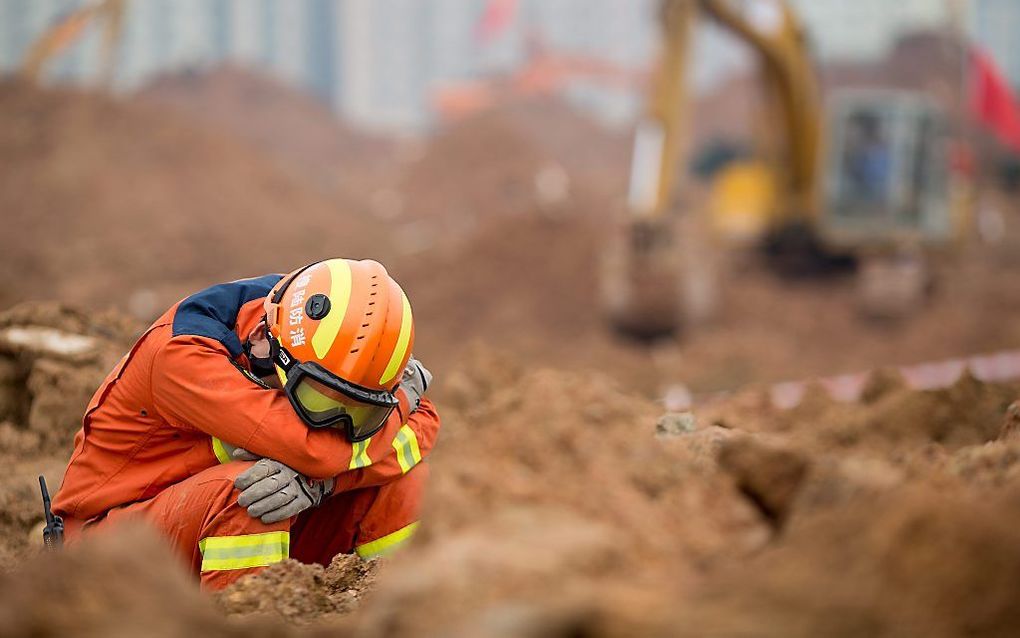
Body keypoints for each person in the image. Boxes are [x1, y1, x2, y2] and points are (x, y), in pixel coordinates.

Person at [52, 258, 440, 590]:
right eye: (320, 403)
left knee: (402, 482)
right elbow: (313, 450)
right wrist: (405, 399)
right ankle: (249, 621)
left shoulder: (330, 333)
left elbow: (426, 424)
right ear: (263, 341)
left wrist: (324, 486)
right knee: (253, 491)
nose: (337, 423)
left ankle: (399, 611)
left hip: (207, 536)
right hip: (101, 554)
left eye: (360, 411)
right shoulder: (181, 356)